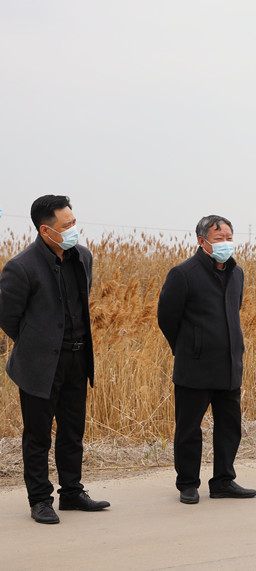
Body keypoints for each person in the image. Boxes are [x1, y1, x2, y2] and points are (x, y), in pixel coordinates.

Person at [0, 195, 109, 525]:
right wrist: (38, 343)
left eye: (74, 222)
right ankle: (39, 500)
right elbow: (8, 317)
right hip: (39, 363)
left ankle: (72, 492)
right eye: (66, 225)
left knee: (73, 431)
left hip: (77, 357)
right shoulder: (21, 267)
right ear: (46, 230)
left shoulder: (83, 257)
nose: (74, 229)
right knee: (38, 436)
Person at [157, 215, 256, 504]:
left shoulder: (236, 273)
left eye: (229, 238)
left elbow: (233, 310)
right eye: (218, 238)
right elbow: (167, 318)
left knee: (229, 427)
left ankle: (223, 481)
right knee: (189, 429)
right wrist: (189, 347)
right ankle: (188, 483)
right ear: (202, 241)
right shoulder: (183, 274)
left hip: (229, 365)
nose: (226, 243)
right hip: (195, 367)